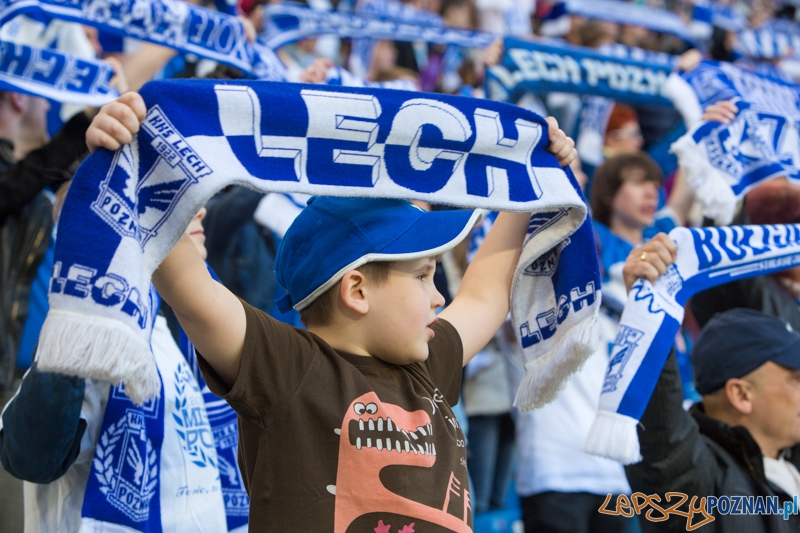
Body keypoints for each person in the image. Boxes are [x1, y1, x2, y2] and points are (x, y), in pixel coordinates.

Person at [86, 90, 578, 531]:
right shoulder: (286, 367)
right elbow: (193, 292)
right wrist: (127, 166)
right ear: (357, 290)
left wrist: (534, 183)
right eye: (423, 275)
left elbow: (485, 295)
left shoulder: (425, 365)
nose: (439, 297)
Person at [0, 207, 249, 532]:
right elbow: (30, 457)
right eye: (180, 198)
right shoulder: (99, 326)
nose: (201, 209)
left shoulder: (205, 322)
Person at [620, 234, 800, 532]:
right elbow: (662, 433)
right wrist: (650, 312)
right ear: (742, 395)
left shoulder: (789, 461)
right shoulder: (697, 481)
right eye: (796, 379)